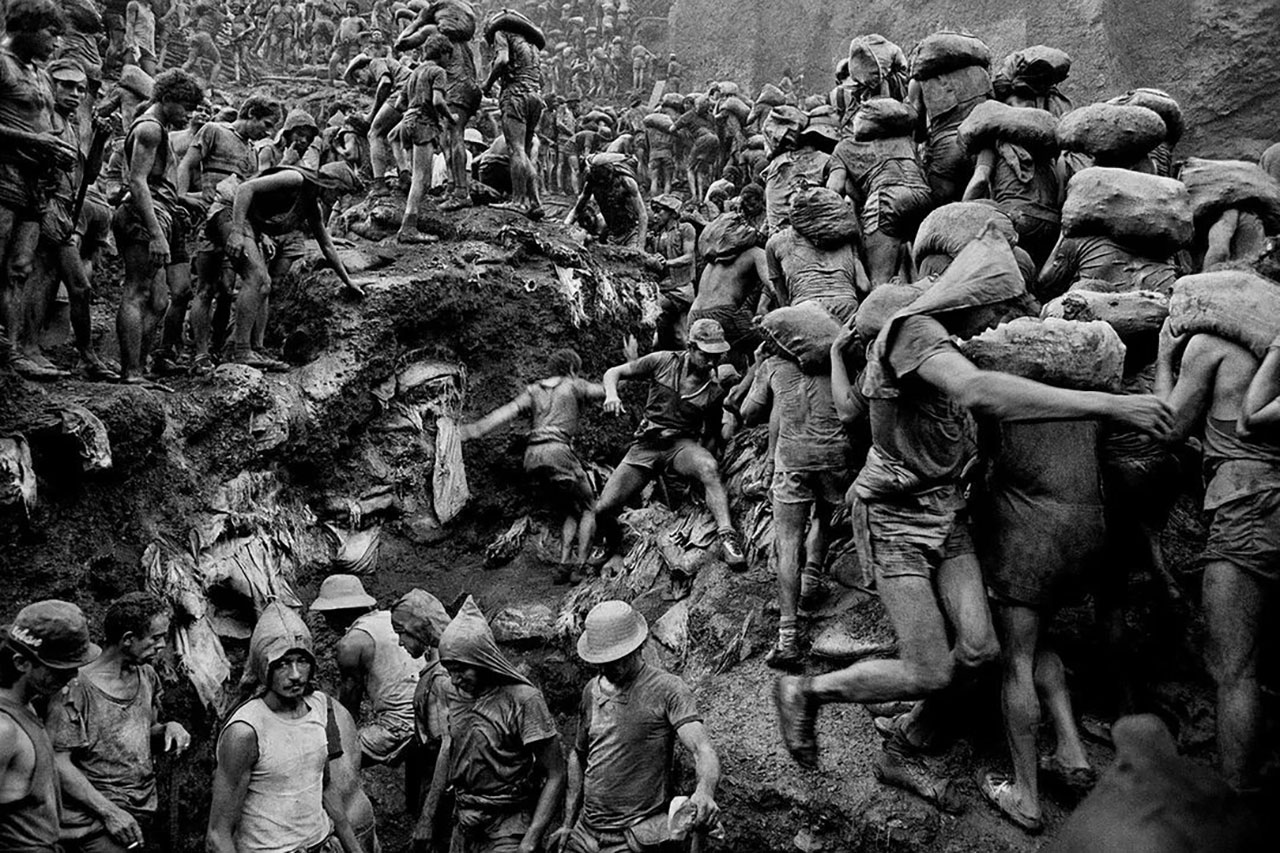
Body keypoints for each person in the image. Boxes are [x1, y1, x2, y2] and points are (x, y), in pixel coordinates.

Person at [773, 225, 1172, 807]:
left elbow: (950, 415)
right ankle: (808, 691)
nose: (1006, 318)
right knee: (931, 669)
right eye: (1001, 306)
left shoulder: (951, 342)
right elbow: (980, 392)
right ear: (973, 297)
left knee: (983, 651)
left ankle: (915, 722)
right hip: (896, 521)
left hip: (946, 513)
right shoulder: (912, 333)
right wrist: (1113, 405)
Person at [1156, 321, 1280, 795]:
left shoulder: (1213, 345)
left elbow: (1167, 427)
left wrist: (1165, 358)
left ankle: (1233, 803)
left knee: (1234, 669)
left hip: (1246, 507)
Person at [575, 319, 747, 577]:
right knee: (603, 508)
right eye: (705, 354)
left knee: (708, 467)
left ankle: (727, 536)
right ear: (690, 347)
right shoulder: (663, 361)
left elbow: (711, 434)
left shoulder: (714, 387)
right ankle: (610, 541)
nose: (711, 361)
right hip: (646, 445)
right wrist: (612, 395)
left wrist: (702, 473)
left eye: (716, 355)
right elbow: (613, 373)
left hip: (680, 446)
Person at [550, 601, 721, 853]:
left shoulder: (667, 689)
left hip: (632, 835)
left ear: (637, 647)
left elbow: (702, 748)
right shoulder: (591, 691)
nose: (609, 667)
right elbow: (578, 754)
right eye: (602, 661)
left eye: (617, 659)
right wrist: (567, 823)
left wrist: (704, 791)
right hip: (585, 833)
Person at [206, 602, 367, 853]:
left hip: (321, 844)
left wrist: (353, 848)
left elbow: (325, 788)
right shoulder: (246, 731)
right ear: (263, 667)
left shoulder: (318, 708)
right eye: (282, 663)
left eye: (302, 661)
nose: (295, 675)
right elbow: (218, 835)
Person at [741, 322, 852, 668]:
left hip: (792, 461)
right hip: (835, 457)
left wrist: (758, 368)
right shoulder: (837, 362)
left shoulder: (773, 365)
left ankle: (787, 639)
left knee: (788, 543)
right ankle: (811, 580)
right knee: (823, 515)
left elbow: (747, 413)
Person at [45, 592, 191, 853]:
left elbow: (144, 734)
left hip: (141, 811)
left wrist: (169, 729)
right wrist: (110, 813)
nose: (162, 645)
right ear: (127, 639)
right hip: (96, 821)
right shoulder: (76, 688)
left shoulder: (146, 675)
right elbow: (58, 762)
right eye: (155, 638)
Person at [418, 597, 565, 853]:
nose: (455, 679)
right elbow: (448, 750)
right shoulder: (451, 692)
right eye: (449, 670)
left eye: (461, 670)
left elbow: (556, 773)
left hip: (509, 823)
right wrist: (427, 818)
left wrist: (531, 838)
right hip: (465, 821)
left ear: (482, 660)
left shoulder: (523, 700)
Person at [461, 349, 606, 575]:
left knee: (571, 507)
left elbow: (507, 411)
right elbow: (606, 390)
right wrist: (631, 363)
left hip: (532, 456)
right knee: (590, 506)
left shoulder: (534, 390)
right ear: (571, 369)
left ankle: (564, 563)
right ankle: (580, 565)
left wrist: (474, 429)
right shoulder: (573, 385)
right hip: (558, 451)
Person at [216, 160, 364, 369]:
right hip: (230, 212)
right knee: (257, 279)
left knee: (265, 286)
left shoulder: (311, 206)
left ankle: (241, 346)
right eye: (339, 192)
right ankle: (241, 351)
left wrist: (348, 281)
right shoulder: (295, 178)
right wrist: (237, 231)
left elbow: (327, 246)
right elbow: (245, 188)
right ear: (330, 182)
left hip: (247, 222)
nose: (338, 199)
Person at [20, 59, 114, 380]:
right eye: (67, 86)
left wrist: (99, 140)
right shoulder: (43, 117)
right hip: (43, 206)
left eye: (80, 89)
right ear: (51, 84)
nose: (75, 94)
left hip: (63, 211)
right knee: (61, 281)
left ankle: (78, 355)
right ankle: (32, 348)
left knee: (62, 282)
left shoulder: (70, 125)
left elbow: (88, 176)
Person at [0, 0, 78, 380]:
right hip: (3, 177)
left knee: (19, 268)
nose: (56, 42)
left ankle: (13, 352)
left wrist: (57, 150)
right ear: (27, 27)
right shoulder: (2, 63)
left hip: (35, 184)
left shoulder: (39, 73)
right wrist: (35, 141)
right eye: (51, 33)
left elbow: (45, 124)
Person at [175, 93, 280, 374]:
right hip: (215, 217)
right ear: (252, 114)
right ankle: (213, 354)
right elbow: (187, 163)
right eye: (266, 124)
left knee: (225, 289)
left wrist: (261, 233)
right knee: (222, 284)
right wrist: (182, 195)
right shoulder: (214, 130)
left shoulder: (252, 149)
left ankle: (223, 349)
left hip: (237, 218)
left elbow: (249, 193)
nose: (268, 133)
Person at [113, 68, 205, 385]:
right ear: (166, 99)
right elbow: (137, 182)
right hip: (142, 217)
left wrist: (182, 200)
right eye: (186, 108)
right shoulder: (150, 128)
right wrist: (155, 234)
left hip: (159, 212)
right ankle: (131, 372)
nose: (189, 115)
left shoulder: (158, 128)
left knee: (159, 301)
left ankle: (140, 368)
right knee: (137, 291)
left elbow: (154, 181)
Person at [1, 600, 100, 853]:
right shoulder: (4, 730)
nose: (73, 677)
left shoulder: (28, 704)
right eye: (59, 669)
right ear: (21, 663)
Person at [309, 574, 423, 767]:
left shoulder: (350, 645)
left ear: (339, 612)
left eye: (327, 615)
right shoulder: (392, 619)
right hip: (430, 716)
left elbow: (350, 705)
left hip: (399, 726)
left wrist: (339, 741)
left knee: (331, 761)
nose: (326, 621)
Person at [827, 98, 933, 284]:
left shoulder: (844, 147)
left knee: (880, 281)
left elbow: (834, 188)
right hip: (923, 197)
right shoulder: (906, 141)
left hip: (886, 201)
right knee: (922, 276)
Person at [962, 95, 1063, 268]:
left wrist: (961, 210)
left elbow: (980, 180)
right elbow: (1060, 194)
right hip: (1050, 224)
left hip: (1017, 218)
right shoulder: (1047, 148)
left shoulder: (992, 142)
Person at [389, 589, 454, 852]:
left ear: (419, 630)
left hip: (441, 792)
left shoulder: (440, 679)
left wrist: (427, 817)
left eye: (401, 633)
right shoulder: (439, 669)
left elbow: (445, 749)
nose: (399, 642)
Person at [904, 50, 992, 204]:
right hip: (977, 146)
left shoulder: (920, 80)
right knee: (977, 206)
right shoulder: (981, 73)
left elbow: (918, 127)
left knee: (939, 209)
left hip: (946, 150)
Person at [481, 15, 545, 218]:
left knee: (515, 149)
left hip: (515, 96)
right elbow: (541, 79)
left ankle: (518, 201)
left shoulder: (502, 33)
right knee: (524, 151)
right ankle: (535, 202)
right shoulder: (532, 44)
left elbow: (502, 60)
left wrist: (487, 84)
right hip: (535, 97)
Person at [396, 35, 455, 244]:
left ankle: (412, 218)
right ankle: (408, 227)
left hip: (407, 123)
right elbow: (438, 101)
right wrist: (450, 117)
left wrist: (413, 110)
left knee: (421, 177)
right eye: (449, 56)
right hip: (424, 124)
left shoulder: (414, 73)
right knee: (421, 178)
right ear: (443, 53)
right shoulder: (438, 72)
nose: (449, 61)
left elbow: (399, 104)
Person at [687, 220, 770, 364]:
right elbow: (773, 284)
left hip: (694, 313)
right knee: (766, 344)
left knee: (708, 361)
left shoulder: (714, 260)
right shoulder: (756, 253)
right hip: (724, 311)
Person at [562, 152, 647, 247]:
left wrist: (640, 246)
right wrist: (564, 228)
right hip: (612, 234)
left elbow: (642, 215)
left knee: (633, 254)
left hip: (631, 233)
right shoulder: (592, 182)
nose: (602, 182)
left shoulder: (626, 182)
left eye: (604, 178)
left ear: (610, 171)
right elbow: (577, 209)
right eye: (598, 179)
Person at [647, 194, 697, 350]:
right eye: (654, 211)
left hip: (681, 290)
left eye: (659, 211)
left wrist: (667, 263)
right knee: (679, 336)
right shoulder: (657, 234)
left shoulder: (685, 229)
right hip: (664, 288)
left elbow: (689, 257)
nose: (656, 215)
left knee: (653, 309)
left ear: (672, 212)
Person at [123, 0, 157, 75]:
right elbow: (130, 24)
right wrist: (131, 43)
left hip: (149, 49)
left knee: (151, 75)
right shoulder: (134, 5)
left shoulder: (150, 11)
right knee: (130, 73)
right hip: (137, 45)